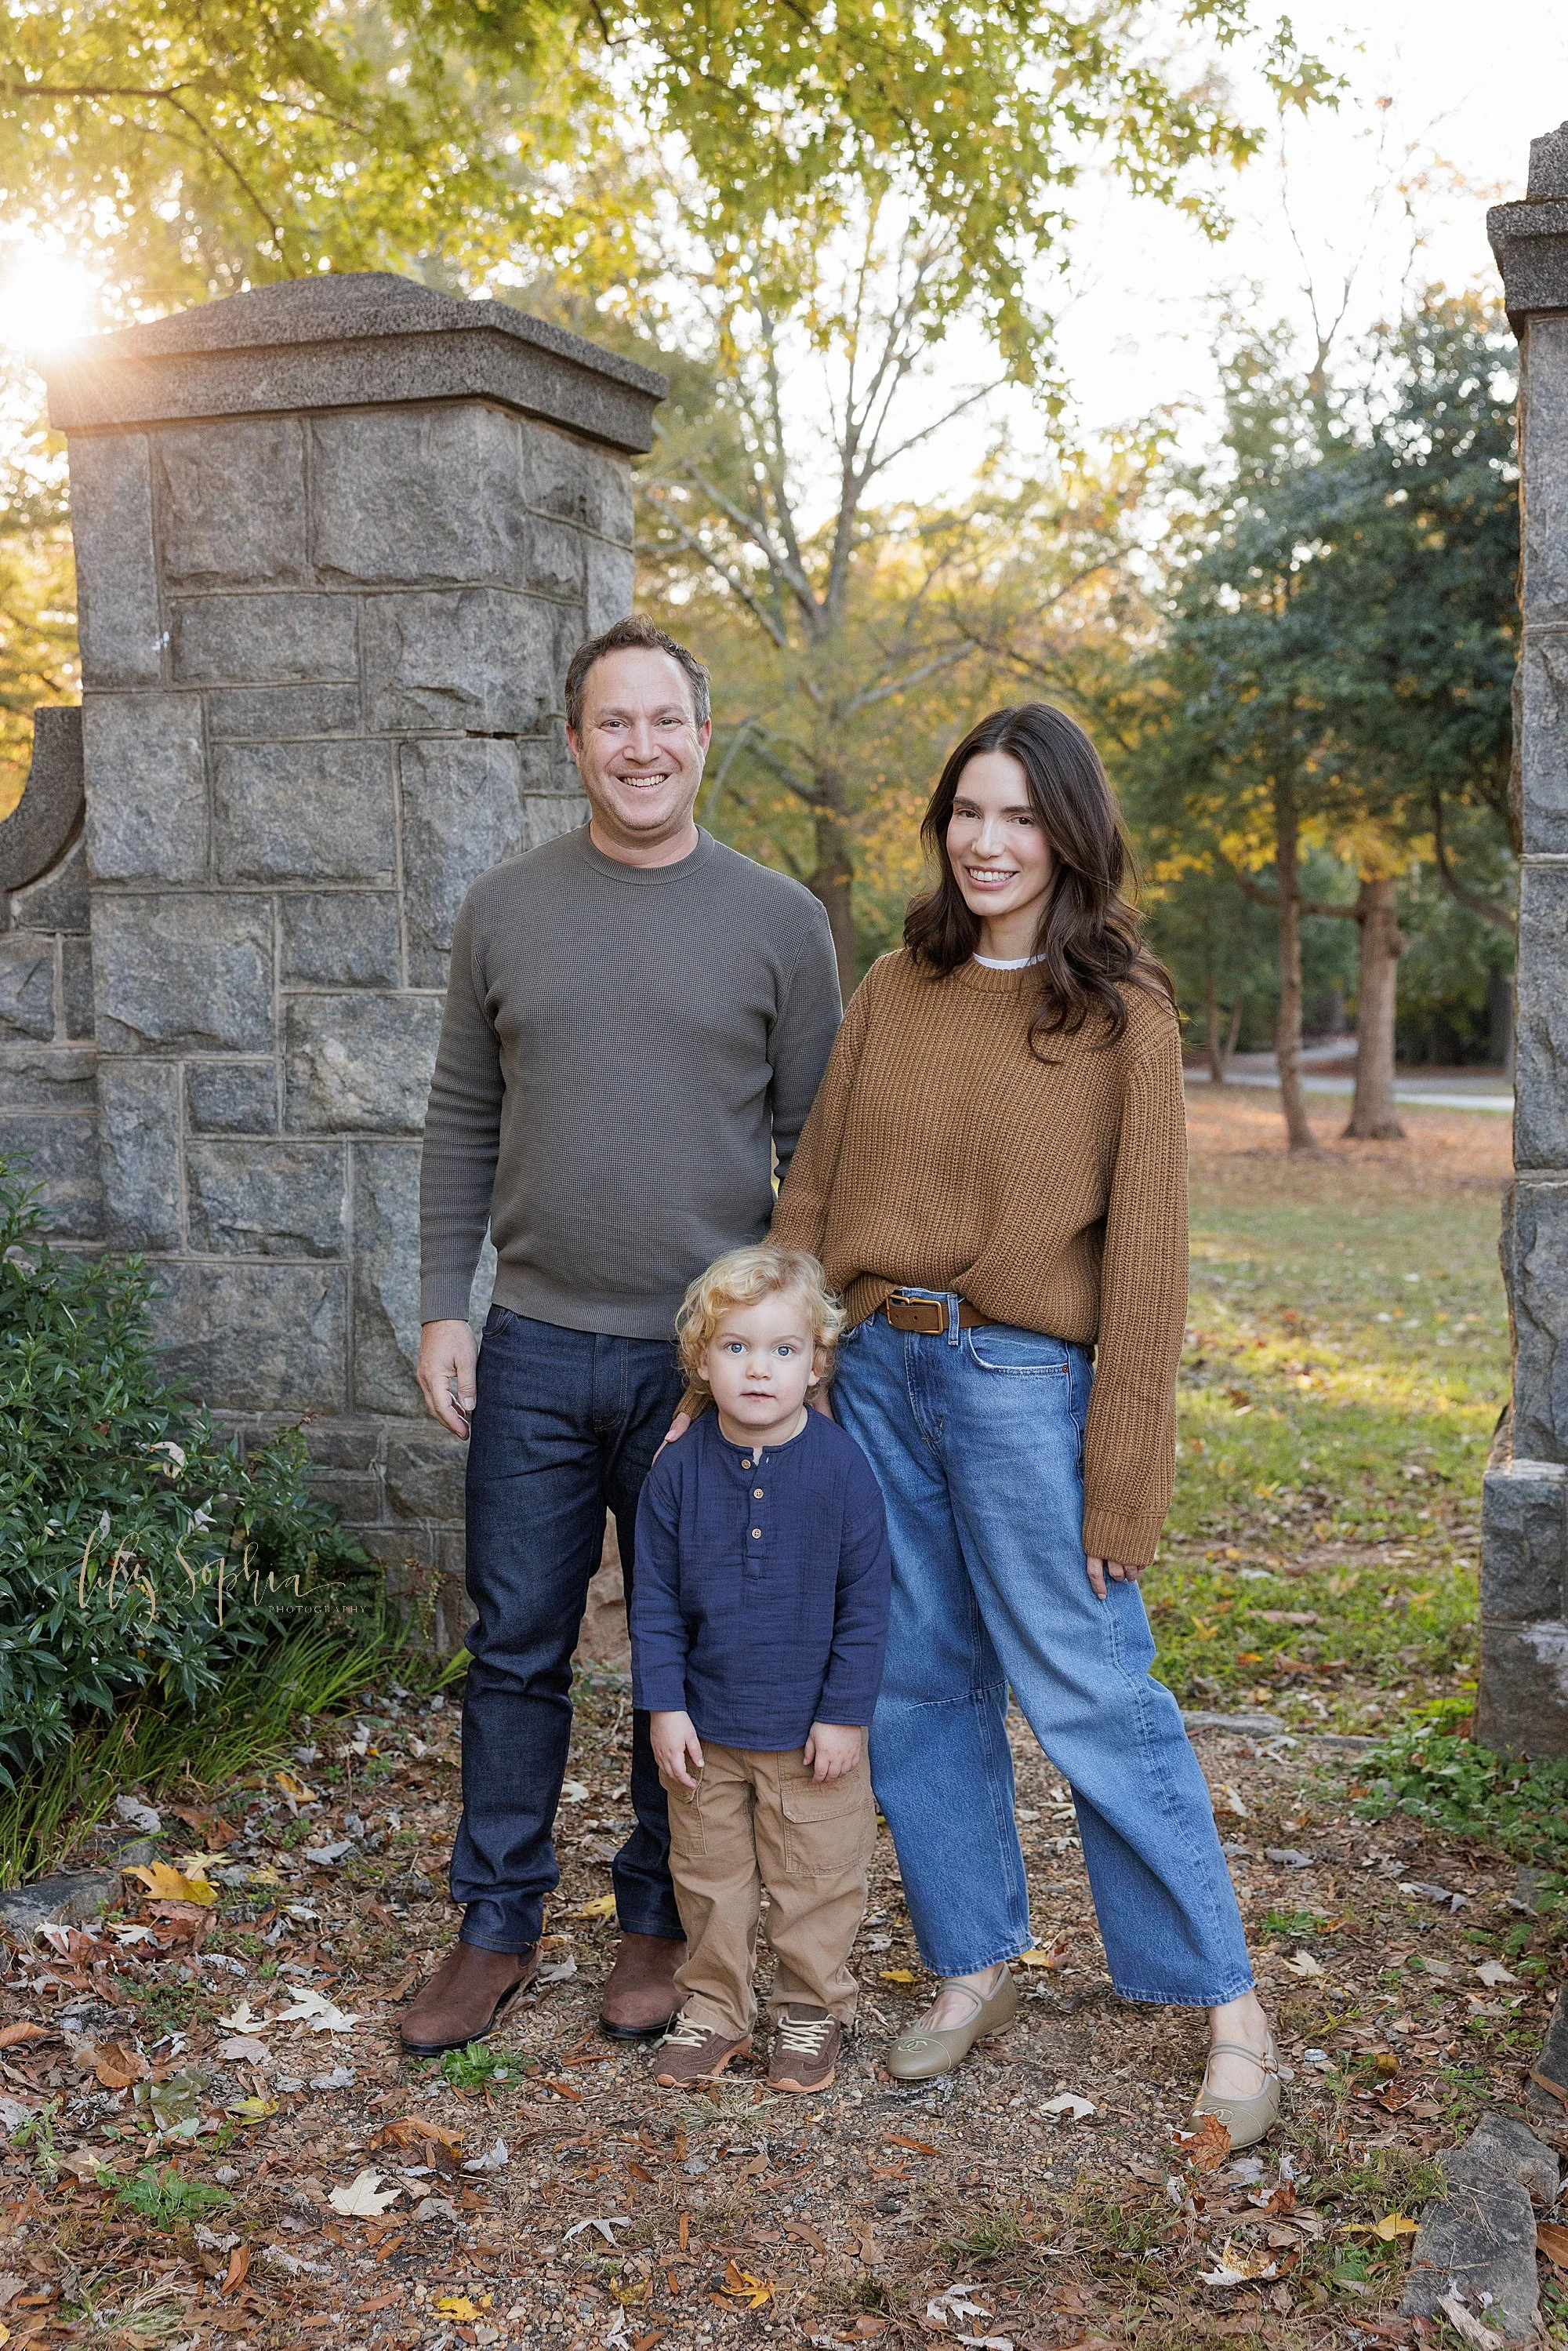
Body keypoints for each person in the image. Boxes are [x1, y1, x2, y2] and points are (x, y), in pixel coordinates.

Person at [767, 702, 1279, 2147]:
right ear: (941, 827)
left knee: (1095, 1691)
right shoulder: (894, 986)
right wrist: (787, 1355)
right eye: (967, 814)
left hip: (1023, 1393)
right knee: (917, 1681)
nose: (989, 844)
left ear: (1069, 834)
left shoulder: (1126, 1018)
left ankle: (1232, 2006)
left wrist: (1125, 1476)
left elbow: (1151, 1267)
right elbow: (813, 1190)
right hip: (876, 1375)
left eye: (1020, 817)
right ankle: (975, 1958)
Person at [404, 616, 841, 2058]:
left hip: (704, 1374)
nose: (640, 746)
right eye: (613, 722)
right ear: (575, 742)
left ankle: (657, 1920)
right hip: (531, 1344)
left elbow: (814, 1159)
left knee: (691, 1646)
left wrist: (789, 1359)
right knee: (517, 1647)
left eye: (665, 720)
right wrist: (442, 1304)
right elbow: (464, 1116)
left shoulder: (780, 921)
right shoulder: (505, 909)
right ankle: (493, 1928)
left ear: (702, 737)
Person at [631, 1245, 891, 2093]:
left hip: (811, 1732)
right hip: (706, 1731)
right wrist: (663, 1707)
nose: (757, 1368)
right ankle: (712, 2009)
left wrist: (844, 1713)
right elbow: (656, 1602)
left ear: (815, 1363)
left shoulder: (842, 1468)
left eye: (782, 1350)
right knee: (709, 1880)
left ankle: (811, 2009)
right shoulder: (673, 1472)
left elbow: (865, 1603)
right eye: (735, 1347)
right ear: (699, 1361)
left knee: (815, 1880)